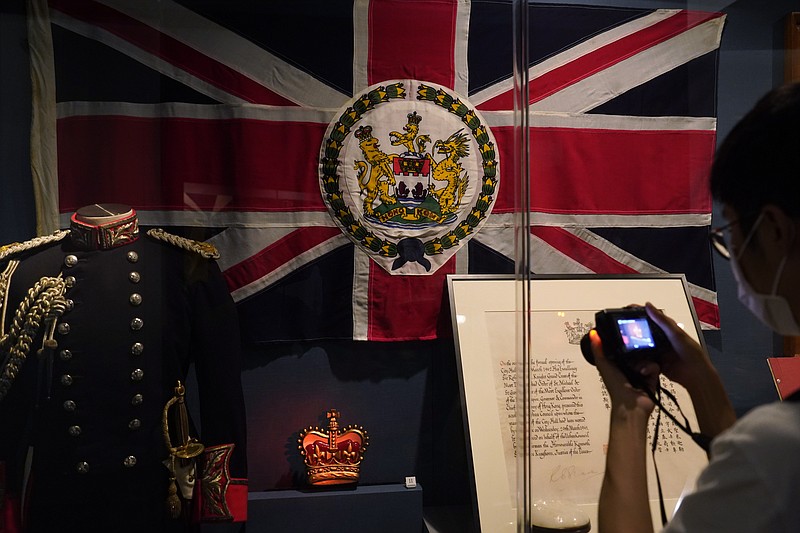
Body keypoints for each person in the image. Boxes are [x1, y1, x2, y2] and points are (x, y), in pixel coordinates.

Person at [591, 81, 800, 532]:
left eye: (731, 235)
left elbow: (765, 468)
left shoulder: (779, 447)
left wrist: (628, 413)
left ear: (775, 232)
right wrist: (702, 381)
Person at [0, 204, 247, 532]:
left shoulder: (187, 266)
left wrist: (221, 502)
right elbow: (9, 409)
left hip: (154, 492)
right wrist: (7, 502)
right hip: (61, 496)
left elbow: (222, 393)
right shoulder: (25, 271)